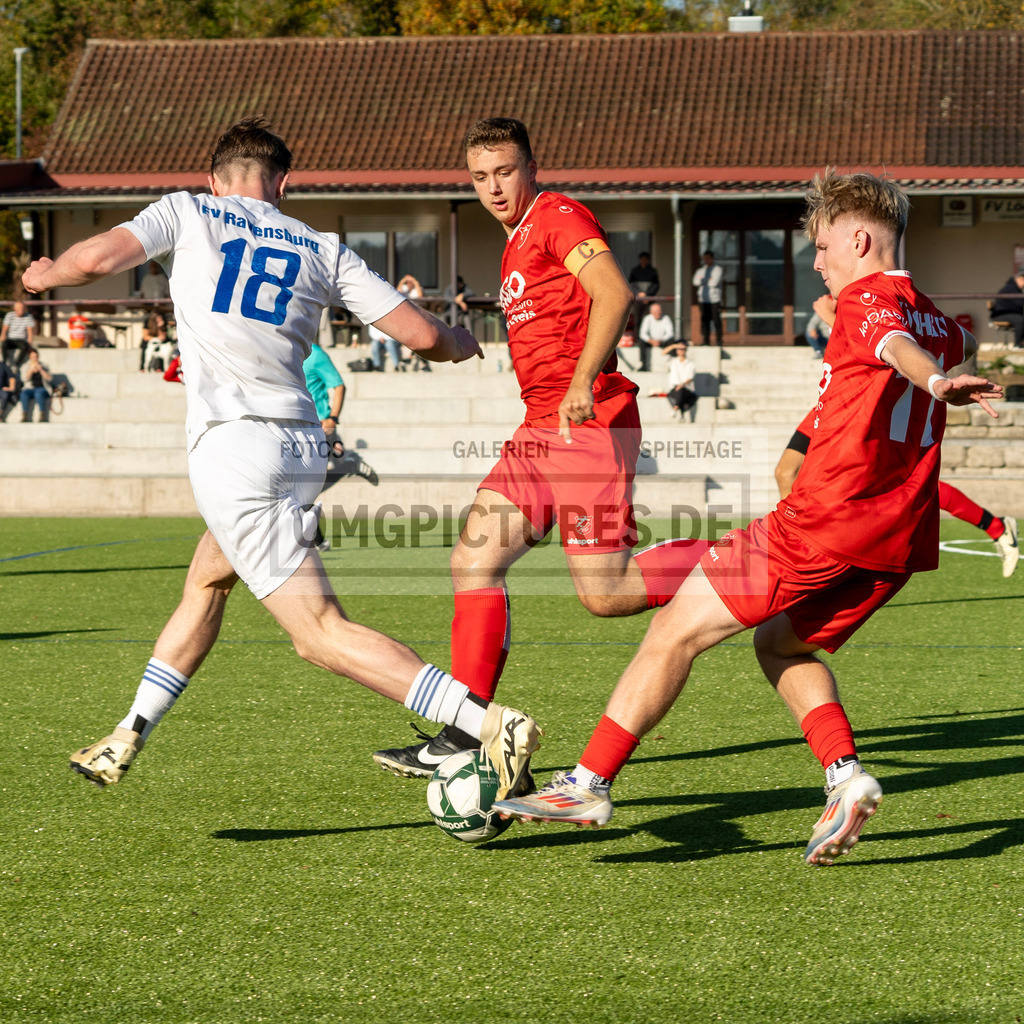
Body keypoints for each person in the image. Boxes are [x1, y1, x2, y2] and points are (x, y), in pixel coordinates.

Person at [494, 169, 1003, 867]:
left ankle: (587, 782)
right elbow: (935, 348)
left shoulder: (867, 303)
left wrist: (937, 380)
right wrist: (944, 369)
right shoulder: (939, 321)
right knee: (782, 647)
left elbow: (892, 346)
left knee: (672, 631)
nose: (817, 262)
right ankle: (845, 776)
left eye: (823, 247)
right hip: (896, 544)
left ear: (859, 239)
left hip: (822, 522)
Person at [22, 116, 540, 800]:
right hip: (299, 449)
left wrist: (43, 274)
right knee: (209, 576)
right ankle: (129, 729)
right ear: (282, 184)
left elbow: (90, 262)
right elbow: (417, 334)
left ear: (215, 180)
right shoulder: (319, 245)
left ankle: (485, 723)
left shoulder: (188, 211)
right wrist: (459, 341)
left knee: (319, 634)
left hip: (235, 449)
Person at [373, 117, 704, 779]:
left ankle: (740, 558)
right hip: (538, 429)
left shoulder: (556, 215)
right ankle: (467, 732)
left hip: (590, 420)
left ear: (531, 167)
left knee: (605, 595)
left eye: (505, 172)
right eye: (481, 176)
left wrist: (582, 378)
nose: (495, 187)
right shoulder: (516, 242)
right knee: (473, 561)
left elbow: (614, 292)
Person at [776, 410, 1019, 578]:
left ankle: (997, 528)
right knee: (785, 472)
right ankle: (795, 551)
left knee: (906, 488)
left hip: (868, 402)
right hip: (831, 398)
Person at [302, 337, 378, 506]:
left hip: (319, 424)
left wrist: (333, 418)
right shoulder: (285, 350)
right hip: (298, 425)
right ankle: (349, 465)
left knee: (303, 488)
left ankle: (349, 465)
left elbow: (338, 385)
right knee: (302, 488)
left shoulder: (315, 354)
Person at [627, 252, 660, 356]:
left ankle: (648, 341)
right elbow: (630, 284)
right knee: (638, 321)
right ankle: (638, 340)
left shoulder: (652, 271)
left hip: (649, 300)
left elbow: (656, 285)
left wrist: (647, 295)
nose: (644, 261)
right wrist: (639, 294)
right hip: (638, 300)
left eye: (646, 259)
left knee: (649, 321)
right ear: (640, 260)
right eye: (642, 259)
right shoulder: (635, 271)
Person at [692, 250, 724, 346]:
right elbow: (695, 282)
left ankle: (719, 341)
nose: (706, 260)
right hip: (703, 300)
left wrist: (703, 280)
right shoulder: (701, 270)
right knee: (705, 321)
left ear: (712, 258)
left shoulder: (717, 269)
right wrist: (707, 280)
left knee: (716, 320)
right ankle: (706, 341)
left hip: (714, 300)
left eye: (708, 258)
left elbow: (713, 283)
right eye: (705, 258)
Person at [990, 266, 1024, 349]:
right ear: (1021, 279)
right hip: (1000, 314)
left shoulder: (1015, 288)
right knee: (1020, 320)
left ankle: (1020, 342)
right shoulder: (1011, 288)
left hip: (1007, 313)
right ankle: (1017, 344)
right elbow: (1020, 303)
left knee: (1020, 318)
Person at [636, 301, 676, 373]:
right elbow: (642, 333)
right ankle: (643, 364)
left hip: (662, 341)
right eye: (656, 311)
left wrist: (661, 340)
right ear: (651, 312)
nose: (658, 312)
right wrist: (651, 340)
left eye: (659, 310)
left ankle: (672, 364)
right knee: (641, 342)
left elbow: (670, 333)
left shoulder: (666, 318)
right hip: (650, 341)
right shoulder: (647, 319)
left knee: (671, 341)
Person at [665, 342, 697, 420]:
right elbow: (663, 353)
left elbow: (690, 377)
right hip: (674, 388)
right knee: (679, 392)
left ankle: (675, 408)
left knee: (681, 391)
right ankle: (681, 414)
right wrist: (674, 345)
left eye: (683, 349)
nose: (681, 351)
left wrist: (682, 385)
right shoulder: (672, 361)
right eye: (679, 349)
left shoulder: (691, 363)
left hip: (686, 388)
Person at [19, 347, 52, 422]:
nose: (35, 358)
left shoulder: (44, 365)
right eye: (33, 357)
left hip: (42, 388)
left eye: (36, 356)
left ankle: (42, 415)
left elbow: (49, 379)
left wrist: (41, 370)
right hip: (29, 388)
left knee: (38, 393)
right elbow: (24, 379)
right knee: (23, 394)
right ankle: (25, 415)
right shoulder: (25, 366)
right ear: (29, 357)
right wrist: (31, 369)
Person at [1, 299, 36, 369]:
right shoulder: (9, 315)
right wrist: (2, 340)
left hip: (21, 340)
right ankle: (5, 362)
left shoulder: (28, 316)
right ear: (15, 309)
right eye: (19, 308)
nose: (21, 310)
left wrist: (29, 345)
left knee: (24, 347)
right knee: (4, 344)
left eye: (22, 308)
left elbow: (30, 332)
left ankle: (16, 365)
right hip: (11, 339)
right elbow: (4, 330)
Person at [0, 355, 18, 421]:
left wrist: (11, 388)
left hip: (1, 389)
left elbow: (12, 377)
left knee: (5, 395)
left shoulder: (3, 366)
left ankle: (0, 415)